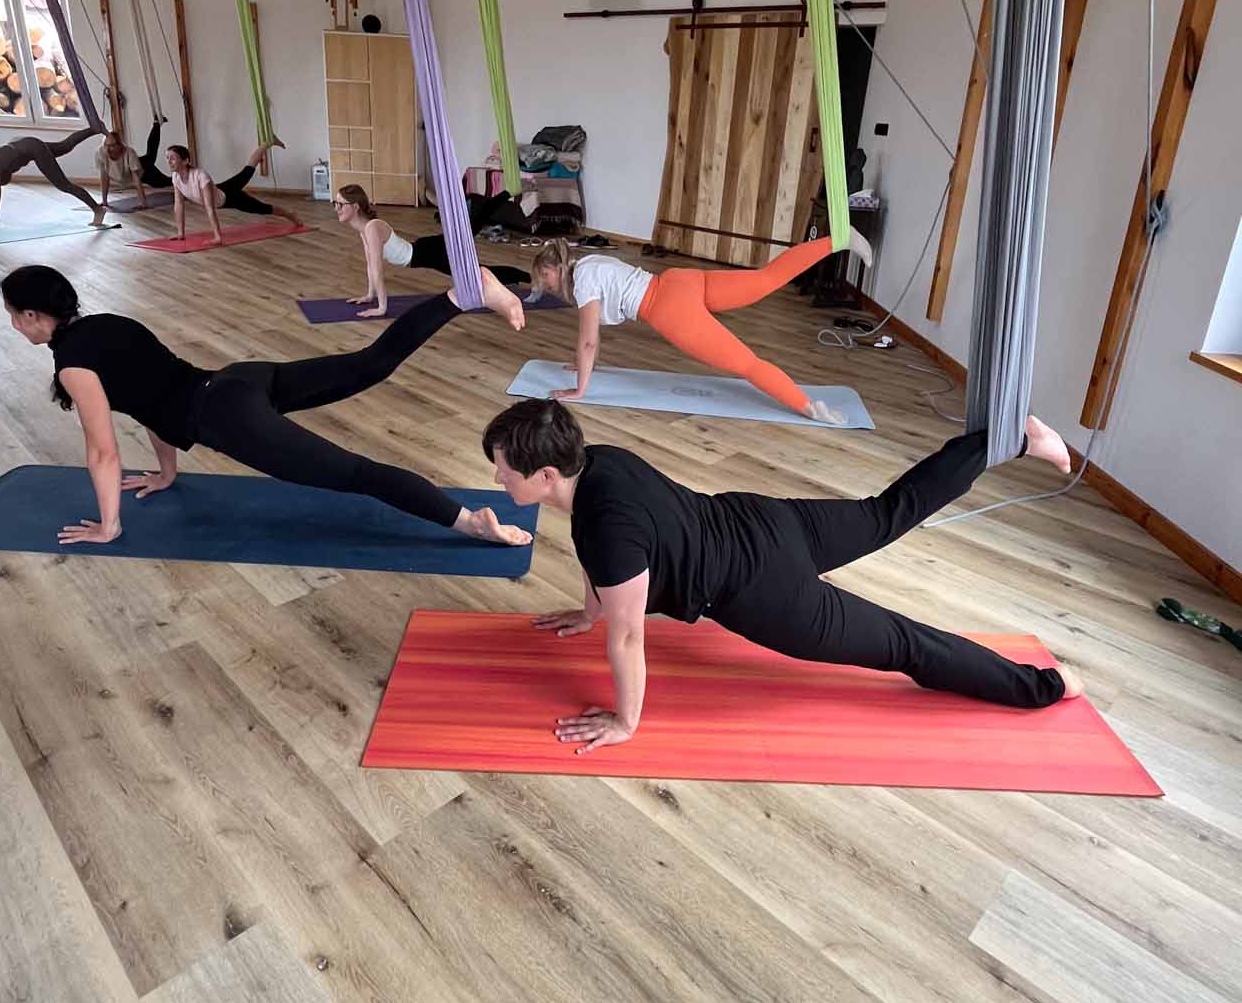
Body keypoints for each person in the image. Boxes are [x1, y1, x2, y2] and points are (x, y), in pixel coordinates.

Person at [481, 397, 1082, 752]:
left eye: (505, 470)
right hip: (765, 520)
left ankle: (1045, 687)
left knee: (903, 644)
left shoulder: (605, 530)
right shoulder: (600, 461)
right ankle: (1011, 440)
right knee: (886, 512)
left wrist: (625, 721)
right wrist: (589, 612)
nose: (498, 479)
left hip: (764, 590)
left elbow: (630, 635)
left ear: (547, 476)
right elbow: (608, 570)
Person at [0, 262, 530, 547]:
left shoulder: (73, 364)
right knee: (371, 363)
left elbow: (103, 452)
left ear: (31, 316)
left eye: (13, 316)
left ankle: (470, 524)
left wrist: (108, 525)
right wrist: (166, 473)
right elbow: (151, 400)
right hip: (239, 380)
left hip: (228, 417)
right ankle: (463, 294)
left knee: (357, 473)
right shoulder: (106, 324)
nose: (14, 326)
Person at [529, 234, 877, 424]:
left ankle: (808, 406)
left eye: (545, 277)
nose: (546, 285)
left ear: (556, 268)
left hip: (668, 309)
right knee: (765, 278)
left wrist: (580, 389)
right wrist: (581, 364)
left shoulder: (583, 284)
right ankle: (839, 239)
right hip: (679, 281)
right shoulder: (587, 262)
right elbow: (588, 342)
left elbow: (588, 341)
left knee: (745, 363)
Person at [333, 183, 531, 317]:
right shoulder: (364, 229)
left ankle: (528, 276)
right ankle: (525, 276)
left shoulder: (372, 228)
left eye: (340, 204)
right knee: (475, 264)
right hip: (427, 253)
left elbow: (377, 269)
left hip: (431, 252)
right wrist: (370, 295)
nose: (337, 208)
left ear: (356, 207)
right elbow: (370, 265)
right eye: (336, 203)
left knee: (475, 246)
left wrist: (381, 307)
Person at [0, 125, 106, 243]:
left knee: (63, 185)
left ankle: (97, 209)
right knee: (64, 147)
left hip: (32, 148)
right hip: (21, 144)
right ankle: (95, 128)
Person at [167, 142, 300, 244]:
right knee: (246, 172)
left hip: (230, 197)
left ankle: (290, 214)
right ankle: (266, 143)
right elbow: (179, 205)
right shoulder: (175, 177)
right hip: (220, 190)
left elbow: (210, 208)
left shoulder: (200, 176)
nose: (169, 162)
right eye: (168, 158)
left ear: (185, 161)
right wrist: (180, 233)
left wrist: (217, 237)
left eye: (172, 158)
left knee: (262, 208)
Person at [96, 118, 172, 209]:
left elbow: (136, 179)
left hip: (144, 171)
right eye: (106, 145)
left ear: (119, 145)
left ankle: (157, 124)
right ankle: (157, 124)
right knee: (150, 157)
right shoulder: (100, 153)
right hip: (131, 168)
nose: (108, 149)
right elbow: (104, 178)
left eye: (112, 145)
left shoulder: (129, 153)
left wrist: (142, 203)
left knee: (161, 181)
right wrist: (104, 202)